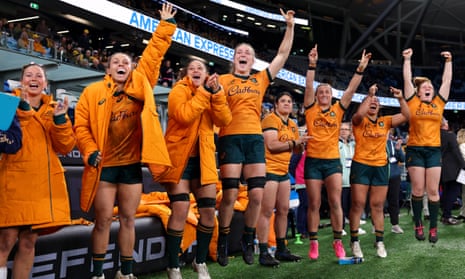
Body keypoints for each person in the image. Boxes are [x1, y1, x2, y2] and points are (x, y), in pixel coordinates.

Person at [73, 3, 176, 278]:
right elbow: (81, 126)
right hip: (104, 167)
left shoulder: (140, 84)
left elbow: (153, 56)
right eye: (116, 62)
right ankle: (97, 274)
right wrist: (90, 150)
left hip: (131, 167)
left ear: (131, 69)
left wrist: (164, 26)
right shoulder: (92, 92)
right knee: (103, 220)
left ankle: (126, 272)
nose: (121, 65)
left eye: (126, 63)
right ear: (108, 68)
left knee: (129, 219)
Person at [215, 7, 295, 267]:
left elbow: (282, 55)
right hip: (230, 139)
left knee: (257, 197)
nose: (243, 55)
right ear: (234, 58)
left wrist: (290, 26)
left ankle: (248, 240)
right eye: (239, 52)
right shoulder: (224, 80)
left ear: (253, 60)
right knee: (228, 196)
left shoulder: (260, 79)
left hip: (253, 141)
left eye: (248, 53)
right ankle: (223, 240)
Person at [0, 63, 76, 279]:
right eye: (28, 75)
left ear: (45, 83)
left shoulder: (55, 109)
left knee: (28, 241)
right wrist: (23, 110)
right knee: (5, 239)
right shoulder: (6, 102)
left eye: (38, 75)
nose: (33, 78)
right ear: (21, 81)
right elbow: (6, 142)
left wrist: (61, 120)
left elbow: (66, 147)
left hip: (42, 185)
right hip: (13, 181)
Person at [160, 59, 232, 279]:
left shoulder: (213, 94)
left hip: (204, 160)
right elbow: (184, 116)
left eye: (201, 68)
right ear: (185, 73)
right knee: (180, 209)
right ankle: (173, 266)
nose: (196, 70)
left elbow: (224, 119)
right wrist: (204, 94)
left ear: (207, 74)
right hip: (179, 159)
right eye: (191, 68)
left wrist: (218, 92)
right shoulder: (178, 91)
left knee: (209, 211)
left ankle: (200, 262)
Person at [303, 44, 371, 260]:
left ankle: (337, 242)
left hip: (332, 162)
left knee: (335, 202)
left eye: (327, 92)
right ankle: (313, 243)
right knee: (314, 203)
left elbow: (350, 90)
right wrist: (312, 65)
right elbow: (307, 85)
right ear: (316, 95)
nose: (323, 93)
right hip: (313, 161)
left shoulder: (337, 110)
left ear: (332, 96)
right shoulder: (310, 108)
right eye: (320, 91)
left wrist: (360, 69)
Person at [348, 84, 409, 259]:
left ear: (380, 107)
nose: (374, 102)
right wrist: (370, 94)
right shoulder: (358, 120)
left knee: (377, 205)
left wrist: (400, 98)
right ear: (366, 103)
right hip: (361, 165)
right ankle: (355, 241)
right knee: (358, 203)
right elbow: (359, 114)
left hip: (381, 166)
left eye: (377, 101)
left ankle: (380, 241)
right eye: (370, 101)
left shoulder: (386, 121)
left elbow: (407, 115)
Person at [402, 48, 452, 243]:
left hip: (433, 151)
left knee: (432, 191)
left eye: (430, 86)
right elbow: (407, 81)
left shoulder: (438, 104)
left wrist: (449, 62)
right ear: (419, 91)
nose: (428, 87)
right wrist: (407, 59)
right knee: (417, 190)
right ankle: (418, 223)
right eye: (425, 86)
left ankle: (433, 228)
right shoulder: (413, 102)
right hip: (415, 149)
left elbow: (446, 82)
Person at [256, 92, 309, 267]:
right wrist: (295, 142)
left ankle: (281, 248)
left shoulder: (292, 124)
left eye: (289, 101)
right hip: (269, 170)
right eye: (283, 101)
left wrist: (301, 144)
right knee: (266, 211)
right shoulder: (271, 120)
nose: (287, 104)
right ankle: (263, 252)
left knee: (284, 210)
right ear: (276, 105)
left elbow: (295, 152)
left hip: (283, 171)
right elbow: (271, 145)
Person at [439, 117, 465, 225]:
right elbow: (457, 153)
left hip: (440, 169)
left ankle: (445, 215)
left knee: (445, 193)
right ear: (444, 124)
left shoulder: (434, 136)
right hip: (453, 170)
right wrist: (464, 166)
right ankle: (447, 216)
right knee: (453, 193)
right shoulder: (450, 136)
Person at [386, 129, 406, 233]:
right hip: (380, 176)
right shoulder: (375, 143)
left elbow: (402, 159)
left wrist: (398, 150)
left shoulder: (393, 144)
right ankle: (375, 225)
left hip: (394, 176)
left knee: (394, 201)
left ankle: (395, 225)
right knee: (378, 202)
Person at [456, 128, 465, 221]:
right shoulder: (462, 145)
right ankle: (463, 213)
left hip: (464, 172)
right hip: (463, 172)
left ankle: (463, 213)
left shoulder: (462, 145)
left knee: (464, 194)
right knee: (464, 194)